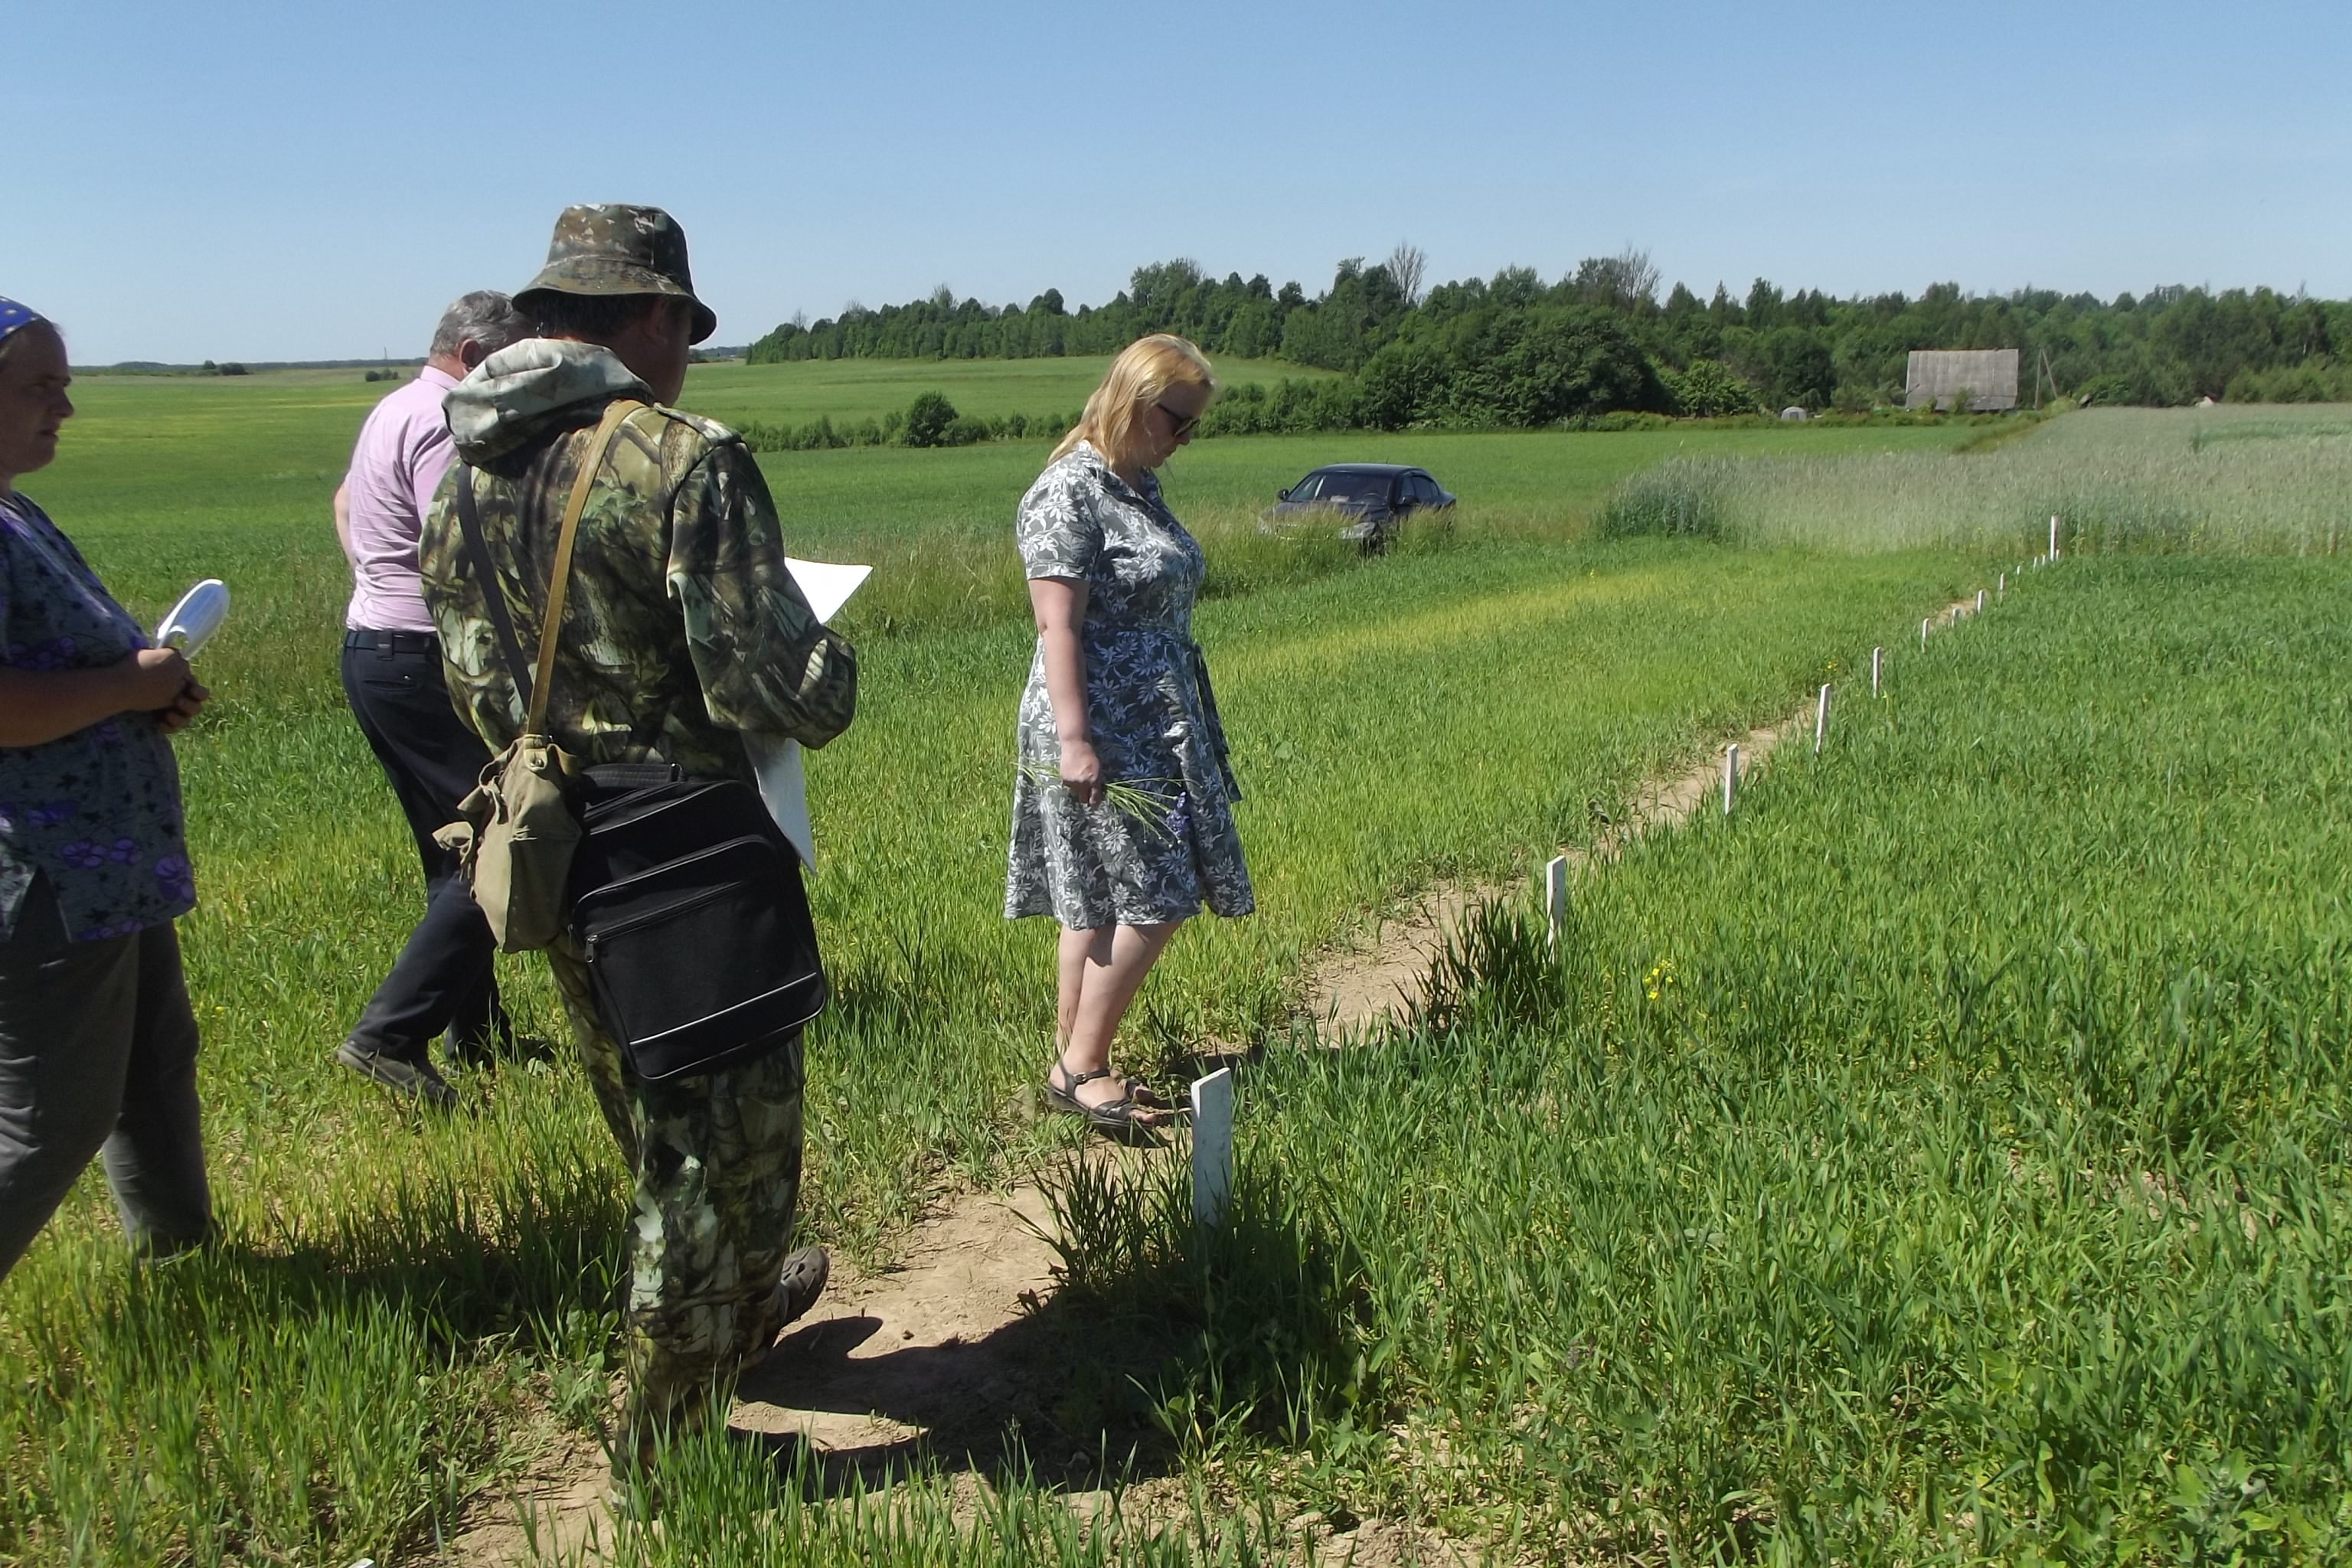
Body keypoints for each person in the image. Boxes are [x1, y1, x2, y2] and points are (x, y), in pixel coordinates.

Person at [414, 205, 857, 1481]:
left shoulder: (463, 475)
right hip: (688, 855)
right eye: (687, 331)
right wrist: (832, 664)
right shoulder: (678, 460)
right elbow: (766, 688)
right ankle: (667, 1452)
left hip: (560, 852)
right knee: (726, 1168)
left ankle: (730, 1321)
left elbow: (467, 679)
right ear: (652, 318)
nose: (689, 356)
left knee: (657, 1129)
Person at [0, 298, 214, 1279]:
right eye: (41, 385)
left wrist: (141, 697)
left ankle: (182, 1261)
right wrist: (130, 686)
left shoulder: (15, 509)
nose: (65, 407)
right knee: (49, 1119)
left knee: (150, 1066)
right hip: (47, 869)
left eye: (67, 384)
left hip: (107, 860)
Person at [1005, 334, 1253, 1136]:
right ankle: (1085, 1065)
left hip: (1154, 721)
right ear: (1136, 399)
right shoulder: (1067, 491)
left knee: (1102, 901)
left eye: (1193, 427)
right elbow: (1058, 625)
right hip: (1103, 728)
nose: (1184, 441)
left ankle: (1071, 1061)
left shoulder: (1132, 484)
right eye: (1178, 420)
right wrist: (1077, 741)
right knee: (1158, 894)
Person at [332, 291, 534, 1111]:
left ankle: (477, 1031)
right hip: (422, 657)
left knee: (447, 848)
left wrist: (372, 579)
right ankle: (390, 1032)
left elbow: (345, 504)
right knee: (496, 840)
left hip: (374, 647)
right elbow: (457, 544)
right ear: (474, 348)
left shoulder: (393, 406)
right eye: (511, 360)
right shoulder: (450, 418)